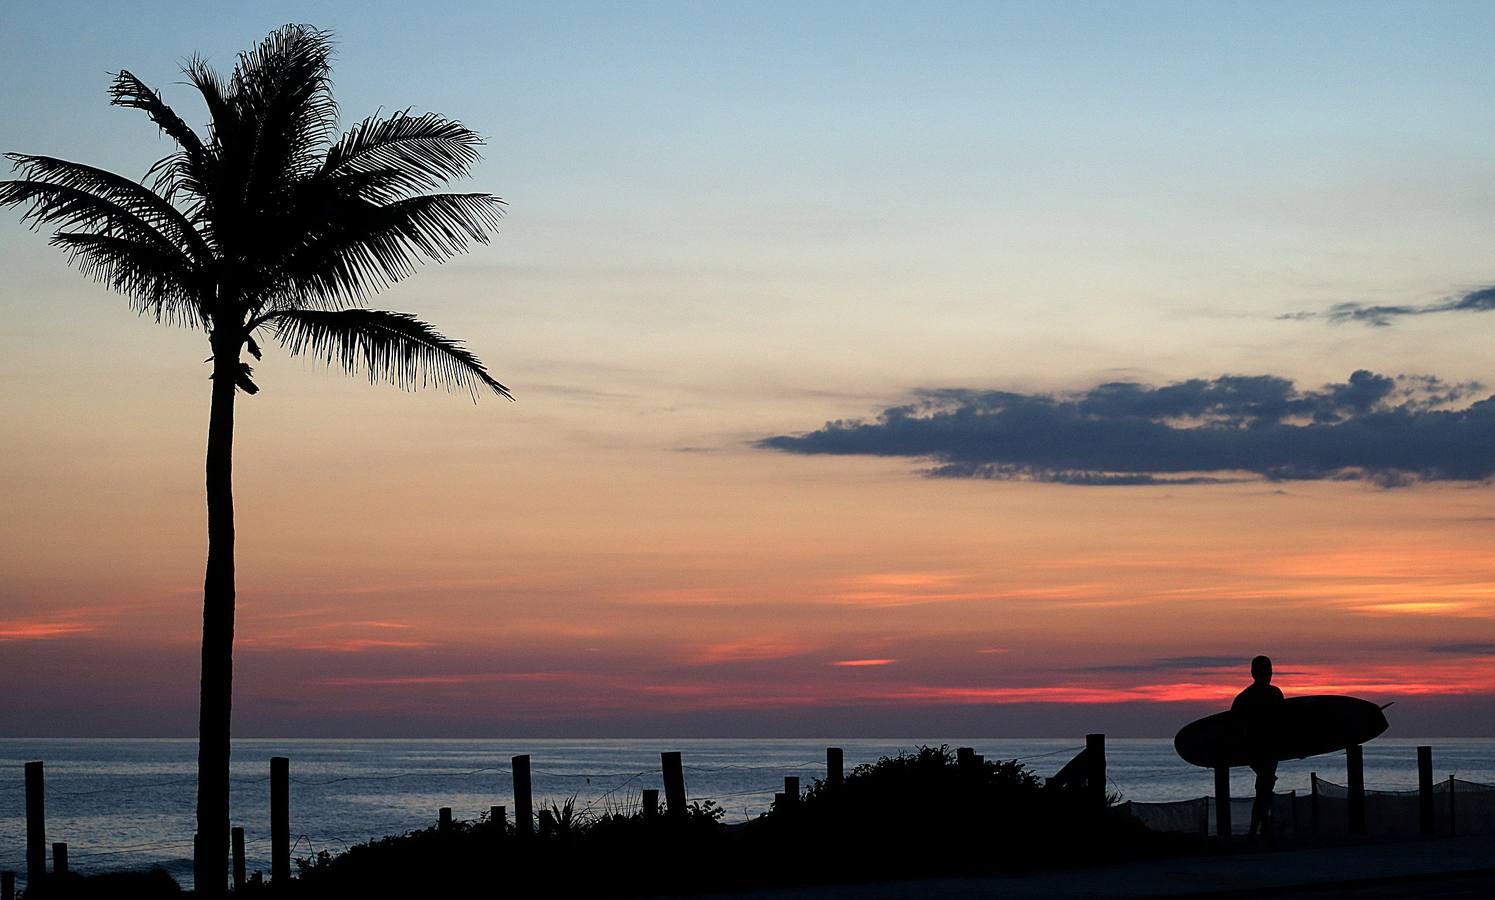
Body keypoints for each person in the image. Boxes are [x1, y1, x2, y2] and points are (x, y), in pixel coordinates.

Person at [1232, 655, 1284, 842]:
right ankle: (1258, 830)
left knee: (1264, 787)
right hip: (1255, 749)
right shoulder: (1245, 698)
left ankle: (1260, 830)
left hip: (1270, 748)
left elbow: (1283, 722)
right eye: (1264, 671)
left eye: (1269, 671)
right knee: (1265, 785)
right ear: (1253, 673)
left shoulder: (1274, 693)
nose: (1267, 675)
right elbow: (1236, 729)